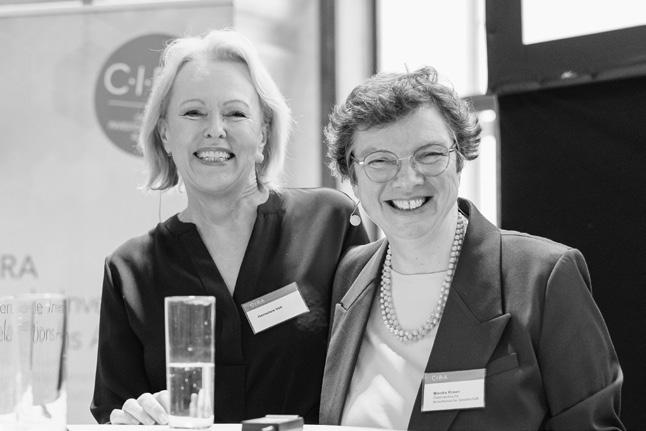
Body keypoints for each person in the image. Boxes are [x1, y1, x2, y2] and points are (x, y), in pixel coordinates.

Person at [319, 66, 625, 430]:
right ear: (353, 178)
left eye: (429, 154)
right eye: (380, 161)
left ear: (460, 158)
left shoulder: (543, 276)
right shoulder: (348, 276)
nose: (408, 179)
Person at [90, 29, 368, 425]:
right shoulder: (129, 269)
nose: (215, 129)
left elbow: (371, 371)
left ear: (263, 132)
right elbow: (114, 411)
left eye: (236, 113)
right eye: (193, 113)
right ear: (165, 133)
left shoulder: (331, 224)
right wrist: (135, 416)